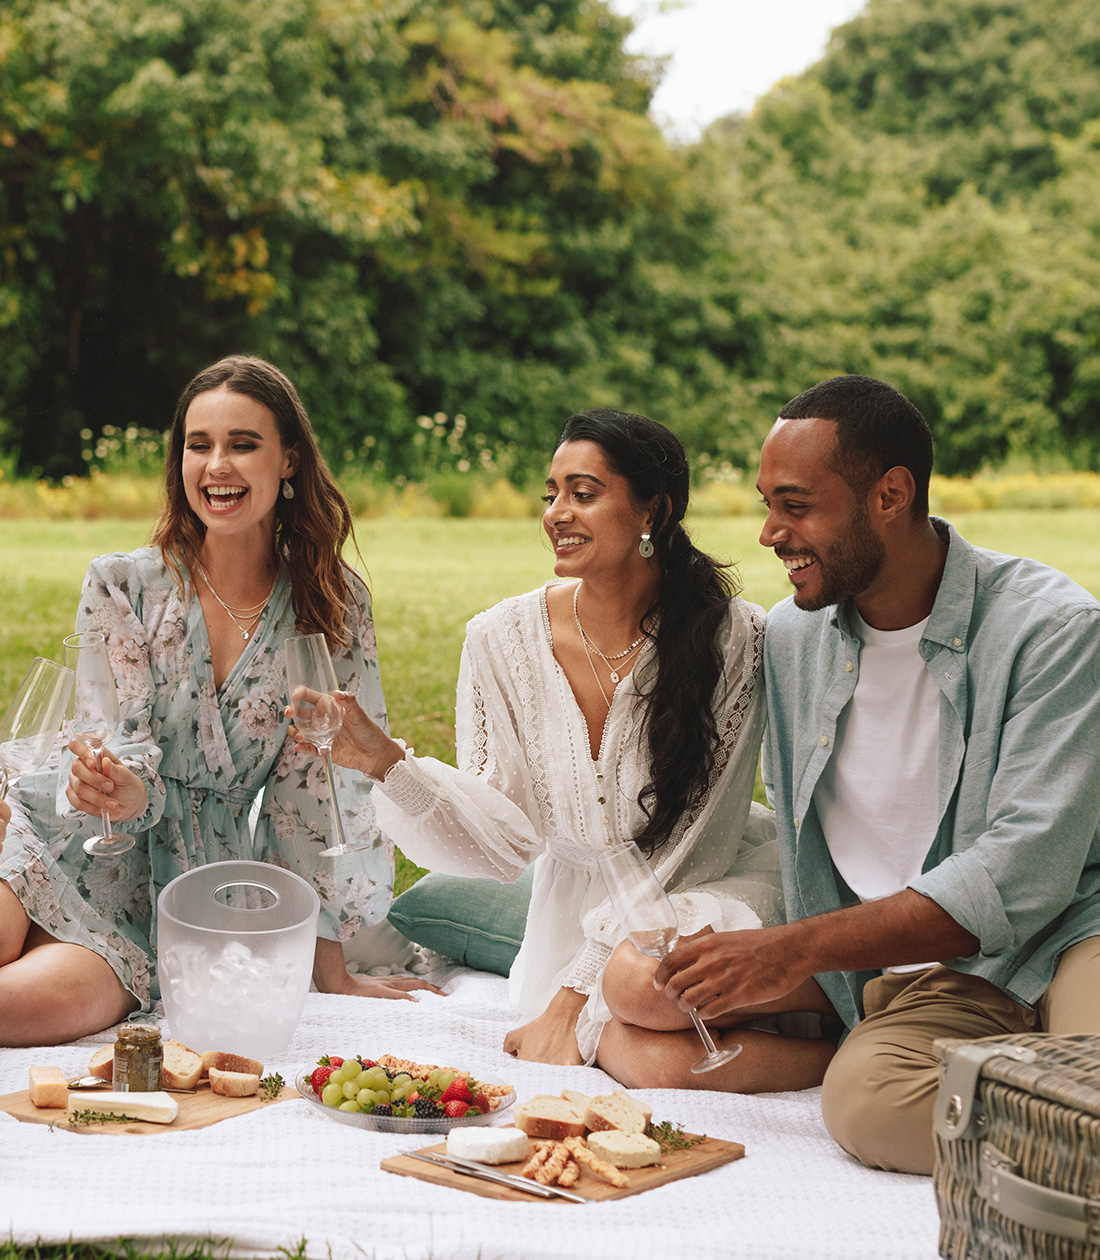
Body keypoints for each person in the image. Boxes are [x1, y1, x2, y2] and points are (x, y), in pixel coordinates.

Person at [292, 408, 836, 1090]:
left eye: (583, 493)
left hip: (696, 890)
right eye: (551, 494)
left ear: (652, 512)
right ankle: (843, 1055)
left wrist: (577, 993)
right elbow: (500, 847)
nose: (557, 512)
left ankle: (849, 992)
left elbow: (687, 843)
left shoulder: (736, 639)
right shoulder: (498, 639)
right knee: (647, 1061)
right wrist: (386, 766)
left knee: (642, 986)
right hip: (571, 925)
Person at [655, 374, 1100, 1172]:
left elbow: (1025, 874)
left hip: (1069, 934)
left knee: (1091, 1071)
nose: (769, 533)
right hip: (942, 979)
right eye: (767, 504)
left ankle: (1066, 1104)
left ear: (890, 495)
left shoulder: (1054, 630)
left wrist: (792, 950)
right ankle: (1067, 1122)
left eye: (796, 505)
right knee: (864, 1103)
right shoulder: (792, 639)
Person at [0, 355, 437, 1048]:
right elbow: (112, 740)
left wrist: (333, 974)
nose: (216, 466)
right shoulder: (122, 585)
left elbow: (321, 796)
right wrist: (118, 785)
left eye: (243, 444)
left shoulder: (333, 606)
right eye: (198, 446)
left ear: (289, 459)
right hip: (54, 825)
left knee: (19, 1012)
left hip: (165, 894)